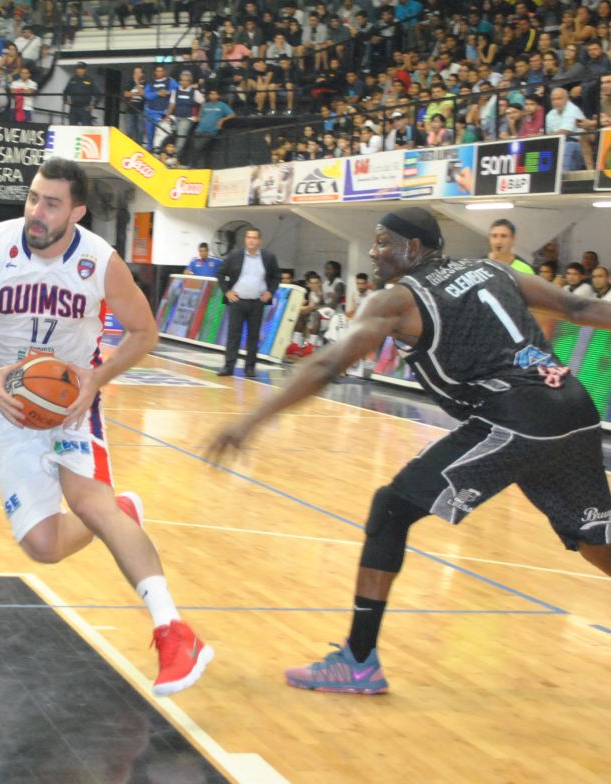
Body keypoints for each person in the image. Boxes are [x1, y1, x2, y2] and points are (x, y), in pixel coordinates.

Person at [206, 206, 611, 694]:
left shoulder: (397, 300)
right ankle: (357, 660)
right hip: (571, 405)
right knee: (594, 537)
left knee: (391, 509)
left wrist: (251, 420)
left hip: (513, 415)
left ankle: (358, 661)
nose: (373, 252)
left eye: (382, 242)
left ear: (413, 248)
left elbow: (326, 366)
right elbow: (578, 309)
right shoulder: (493, 269)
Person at [0, 157, 212, 696]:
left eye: (51, 203)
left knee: (90, 504)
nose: (37, 211)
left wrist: (96, 379)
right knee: (44, 546)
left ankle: (174, 631)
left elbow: (144, 332)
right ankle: (121, 512)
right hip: (9, 407)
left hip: (73, 405)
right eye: (33, 198)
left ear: (77, 212)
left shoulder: (100, 262)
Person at [215, 226, 280, 378]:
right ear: (245, 240)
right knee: (233, 335)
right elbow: (220, 273)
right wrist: (227, 292)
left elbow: (276, 277)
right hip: (237, 302)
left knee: (253, 336)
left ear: (259, 241)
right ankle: (229, 366)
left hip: (257, 302)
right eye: (248, 237)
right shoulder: (234, 256)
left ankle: (250, 367)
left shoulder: (268, 257)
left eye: (254, 238)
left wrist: (270, 292)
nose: (251, 240)